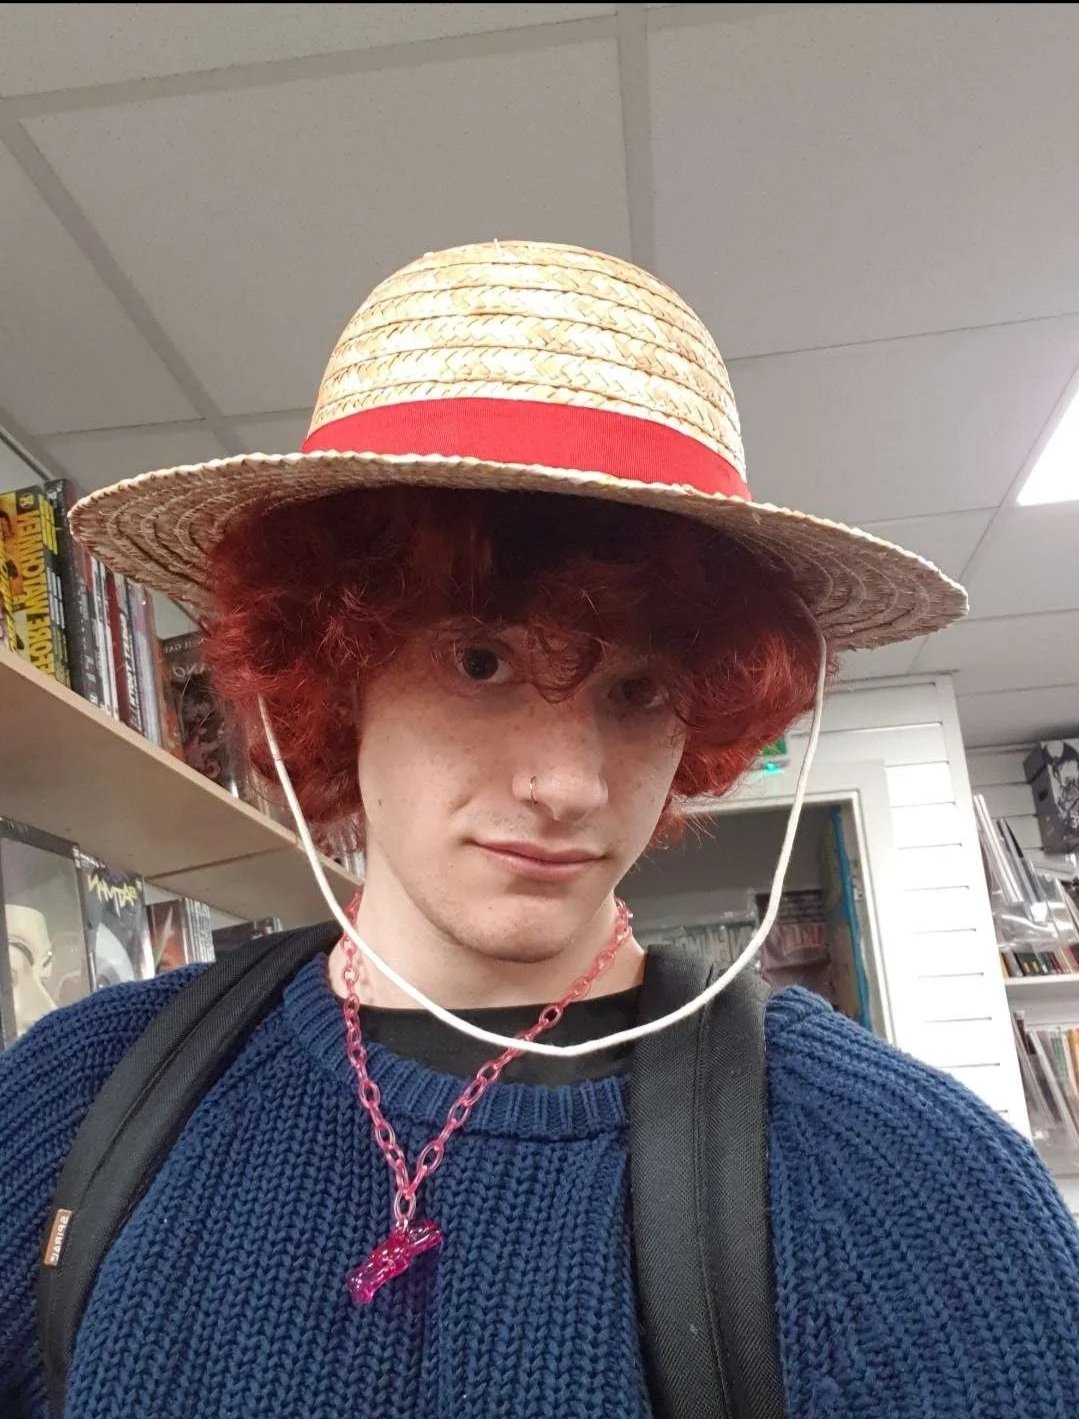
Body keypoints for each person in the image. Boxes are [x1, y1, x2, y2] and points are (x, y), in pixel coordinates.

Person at [2, 241, 1077, 1417]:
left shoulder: (898, 1179)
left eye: (639, 691)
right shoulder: (84, 1096)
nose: (567, 783)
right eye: (481, 660)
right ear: (332, 669)